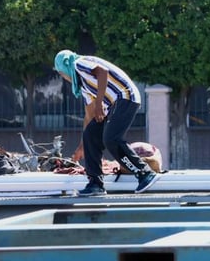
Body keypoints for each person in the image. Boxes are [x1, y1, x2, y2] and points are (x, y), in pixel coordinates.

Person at [54, 50, 159, 196]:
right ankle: (95, 184)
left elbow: (102, 72)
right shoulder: (83, 84)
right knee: (91, 134)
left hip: (126, 96)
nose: (64, 77)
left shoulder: (79, 63)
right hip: (114, 105)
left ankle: (145, 173)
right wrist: (82, 146)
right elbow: (89, 116)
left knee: (111, 138)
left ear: (65, 66)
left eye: (61, 73)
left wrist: (98, 104)